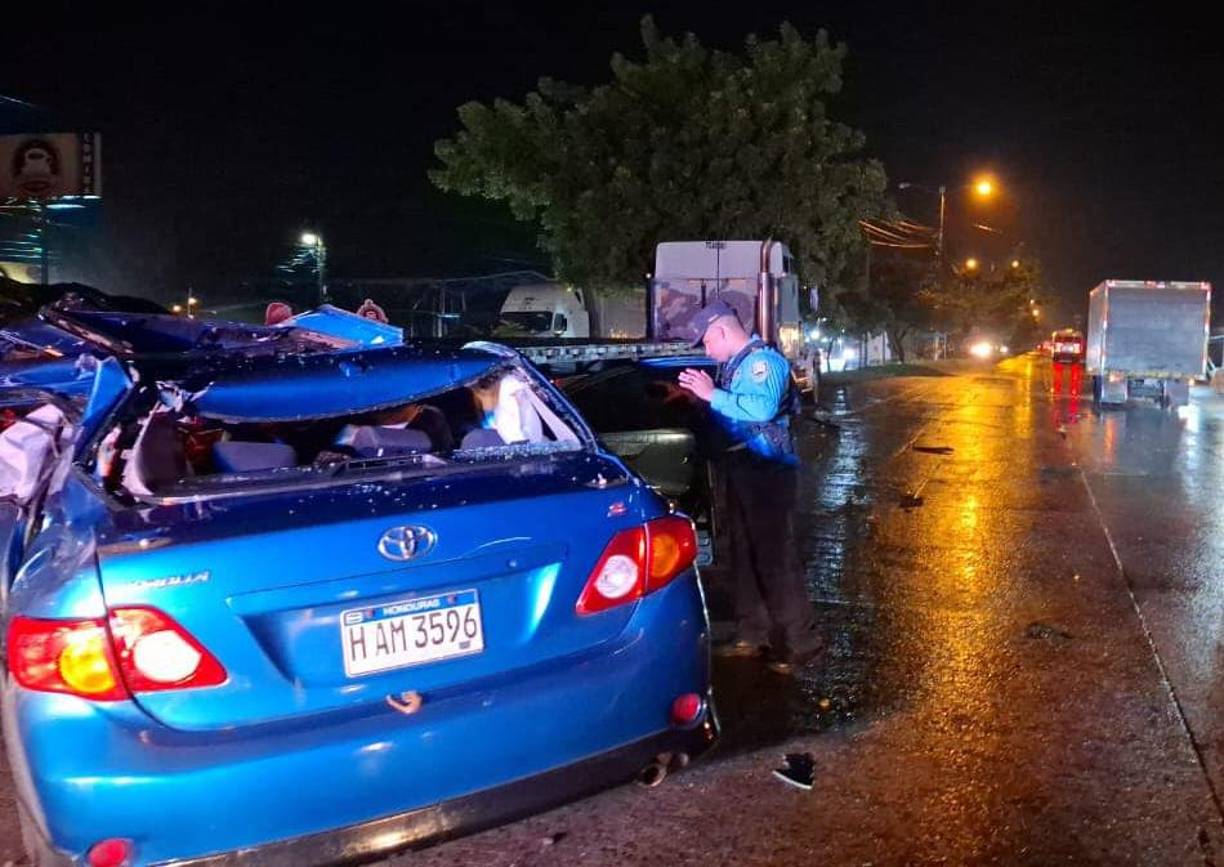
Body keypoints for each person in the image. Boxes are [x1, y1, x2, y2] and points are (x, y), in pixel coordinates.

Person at [677, 300, 820, 675]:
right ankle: (751, 634)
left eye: (706, 341)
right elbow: (731, 411)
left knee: (775, 558)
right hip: (742, 467)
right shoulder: (732, 366)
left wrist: (712, 395)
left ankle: (799, 642)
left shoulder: (765, 362)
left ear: (722, 331)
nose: (706, 350)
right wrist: (700, 401)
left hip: (769, 471)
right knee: (741, 553)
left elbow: (761, 409)